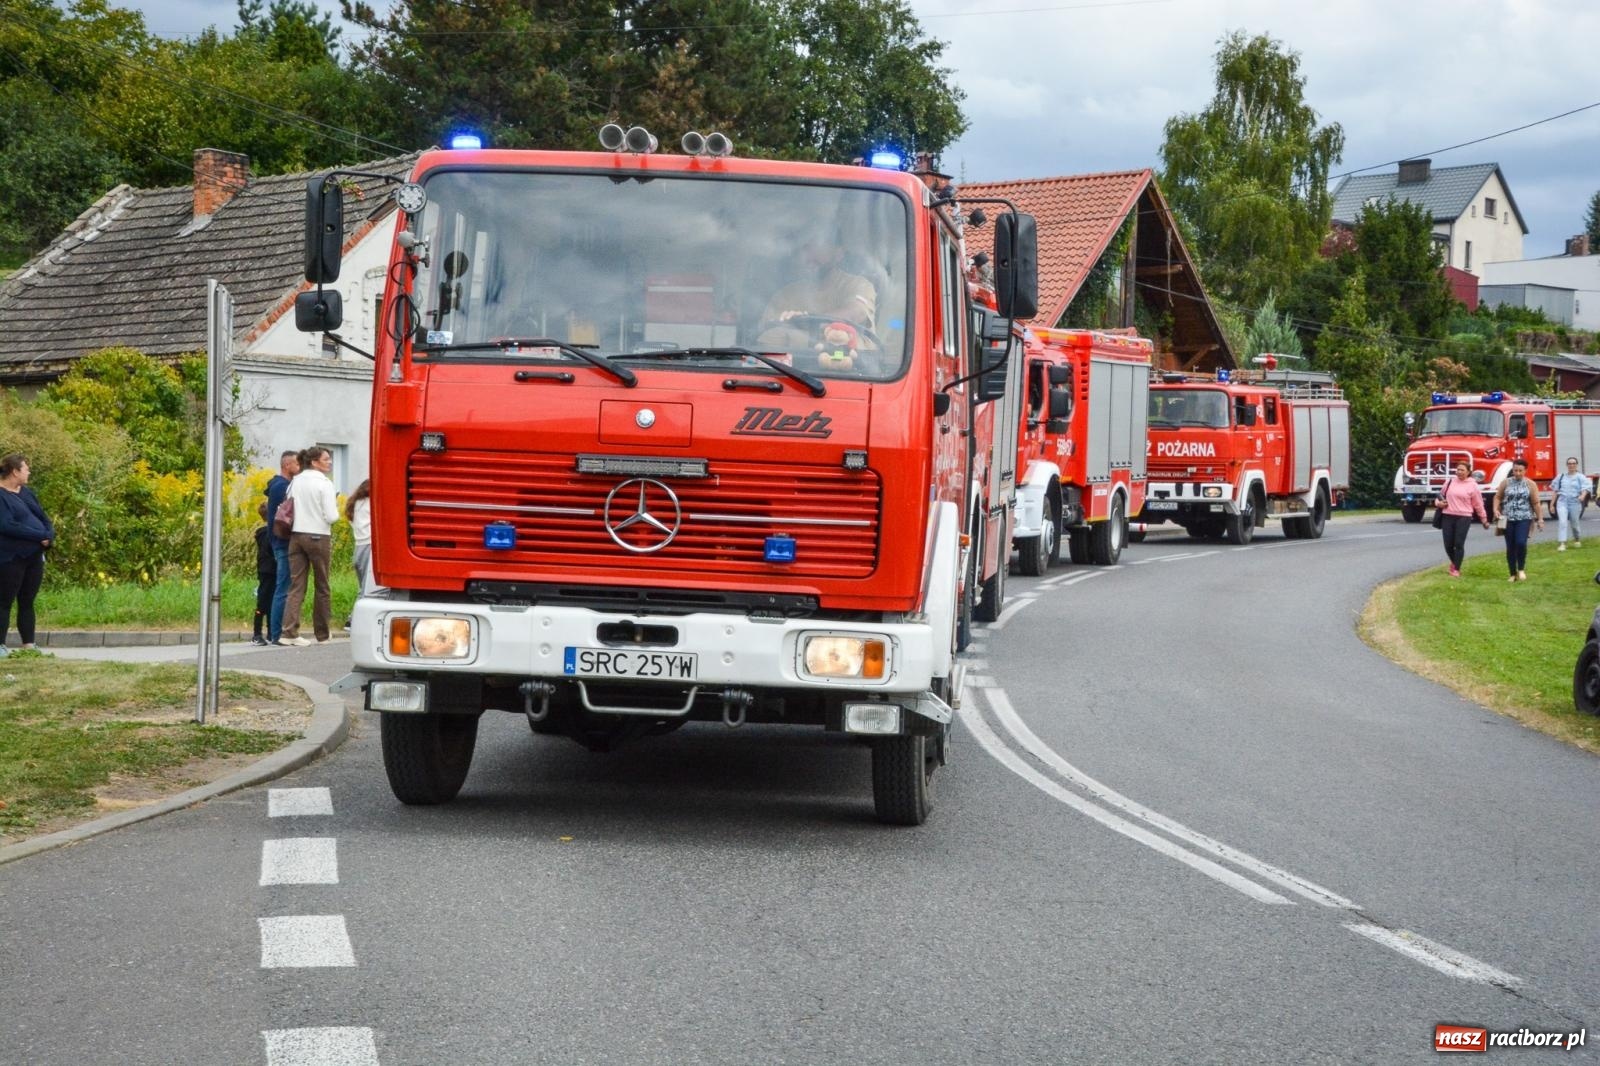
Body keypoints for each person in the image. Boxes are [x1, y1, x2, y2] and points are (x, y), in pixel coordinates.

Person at [757, 241, 877, 351]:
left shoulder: (858, 285)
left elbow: (856, 313)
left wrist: (808, 321)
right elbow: (765, 336)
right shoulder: (786, 294)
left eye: (818, 246)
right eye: (806, 247)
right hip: (785, 371)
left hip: (851, 371)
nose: (809, 255)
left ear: (838, 253)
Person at [282, 447, 340, 646]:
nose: (330, 462)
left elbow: (288, 504)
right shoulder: (324, 483)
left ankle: (289, 632)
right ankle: (322, 634)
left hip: (296, 535)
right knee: (322, 586)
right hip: (318, 536)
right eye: (326, 459)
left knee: (296, 585)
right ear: (315, 462)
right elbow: (332, 516)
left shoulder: (295, 481)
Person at [0, 453, 55, 653]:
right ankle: (1, 645)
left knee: (27, 600)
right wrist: (38, 535)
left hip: (34, 556)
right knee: (4, 601)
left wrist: (49, 534)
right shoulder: (1, 495)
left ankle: (29, 644)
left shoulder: (26, 492)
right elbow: (7, 525)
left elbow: (42, 515)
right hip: (11, 557)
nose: (29, 471)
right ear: (15, 471)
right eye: (26, 468)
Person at [264, 450, 300, 645]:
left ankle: (275, 631)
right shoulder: (282, 487)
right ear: (287, 465)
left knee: (283, 586)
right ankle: (277, 633)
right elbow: (285, 515)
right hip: (283, 542)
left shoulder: (277, 485)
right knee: (283, 587)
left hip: (278, 542)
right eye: (296, 464)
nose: (299, 467)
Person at [1436, 460, 1489, 578]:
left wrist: (1484, 519)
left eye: (1462, 470)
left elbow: (1478, 504)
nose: (1459, 472)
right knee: (1448, 544)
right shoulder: (1449, 481)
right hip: (1447, 515)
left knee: (1458, 544)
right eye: (1458, 470)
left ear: (1468, 472)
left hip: (1464, 517)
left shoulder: (1473, 485)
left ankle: (1456, 569)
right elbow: (1439, 496)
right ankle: (1455, 562)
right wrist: (1439, 504)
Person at [1494, 459, 1544, 582]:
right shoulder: (1505, 483)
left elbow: (1536, 503)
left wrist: (1540, 519)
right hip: (1506, 518)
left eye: (1520, 471)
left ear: (1525, 471)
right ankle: (1512, 574)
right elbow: (1498, 497)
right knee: (1510, 546)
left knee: (1521, 543)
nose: (1517, 473)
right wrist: (1496, 509)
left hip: (1524, 517)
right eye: (1515, 470)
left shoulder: (1530, 484)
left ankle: (1521, 569)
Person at [345, 478, 372, 619]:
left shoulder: (354, 504)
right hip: (370, 546)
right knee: (368, 589)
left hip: (358, 547)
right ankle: (355, 618)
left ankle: (353, 616)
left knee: (361, 587)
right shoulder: (371, 503)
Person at [1550, 456, 1590, 551]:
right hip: (1562, 502)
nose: (1571, 465)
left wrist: (1582, 496)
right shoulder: (1561, 476)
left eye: (1573, 463)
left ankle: (1577, 539)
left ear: (1576, 465)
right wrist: (1552, 504)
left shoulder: (1580, 477)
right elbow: (1555, 491)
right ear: (1567, 465)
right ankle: (1562, 543)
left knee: (1574, 523)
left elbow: (1586, 488)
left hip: (1575, 502)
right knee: (1562, 522)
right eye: (1569, 463)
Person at [251, 502, 276, 646]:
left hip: (263, 569)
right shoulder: (269, 533)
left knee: (264, 601)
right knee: (266, 601)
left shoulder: (260, 533)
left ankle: (262, 631)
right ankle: (260, 633)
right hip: (270, 569)